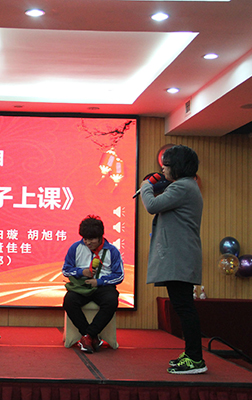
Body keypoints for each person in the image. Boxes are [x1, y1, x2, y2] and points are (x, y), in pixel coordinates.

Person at [140, 144, 207, 374]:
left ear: (177, 166)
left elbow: (152, 205)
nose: (163, 169)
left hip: (180, 257)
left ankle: (195, 359)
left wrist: (146, 186)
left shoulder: (182, 187)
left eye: (166, 165)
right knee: (183, 306)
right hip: (180, 256)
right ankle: (191, 354)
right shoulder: (186, 185)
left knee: (184, 307)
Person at [62, 215, 124, 353]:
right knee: (69, 301)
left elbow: (119, 276)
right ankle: (91, 337)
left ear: (101, 236)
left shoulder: (112, 251)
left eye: (91, 239)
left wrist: (99, 281)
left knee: (111, 301)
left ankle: (88, 336)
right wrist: (81, 272)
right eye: (85, 239)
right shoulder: (75, 248)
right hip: (81, 287)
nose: (88, 242)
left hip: (103, 287)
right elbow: (66, 270)